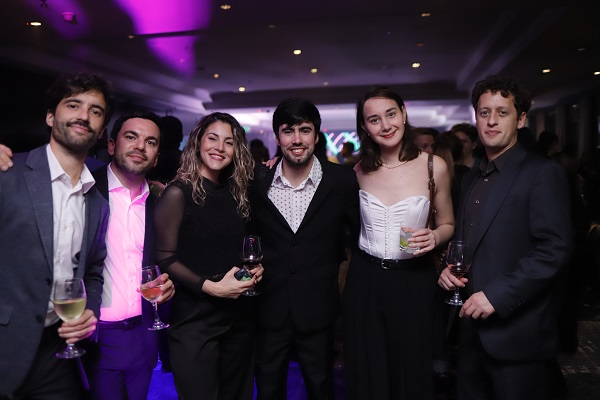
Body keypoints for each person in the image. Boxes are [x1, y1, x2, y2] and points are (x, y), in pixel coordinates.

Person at [437, 75, 571, 400]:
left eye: (502, 112)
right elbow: (470, 243)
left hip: (517, 336)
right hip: (470, 333)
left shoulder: (542, 173)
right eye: (484, 113)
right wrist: (446, 269)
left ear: (520, 119)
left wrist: (497, 296)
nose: (492, 121)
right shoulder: (471, 178)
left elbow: (554, 250)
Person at [0, 72, 113, 399]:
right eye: (73, 105)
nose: (84, 115)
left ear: (101, 130)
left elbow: (93, 272)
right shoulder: (8, 173)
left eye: (95, 111)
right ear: (51, 116)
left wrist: (90, 312)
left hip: (58, 352)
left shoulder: (98, 203)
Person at [343, 86, 455, 400]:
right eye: (374, 119)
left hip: (414, 279)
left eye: (391, 114)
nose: (385, 125)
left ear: (404, 114)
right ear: (364, 127)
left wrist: (435, 236)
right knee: (369, 365)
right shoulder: (356, 171)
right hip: (365, 280)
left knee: (411, 364)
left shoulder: (434, 166)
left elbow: (448, 223)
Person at [251, 97, 360, 400]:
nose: (297, 139)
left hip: (318, 306)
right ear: (277, 138)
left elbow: (360, 235)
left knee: (321, 386)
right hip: (269, 306)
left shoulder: (341, 180)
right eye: (288, 131)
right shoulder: (257, 180)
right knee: (268, 389)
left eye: (305, 130)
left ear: (316, 135)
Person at [153, 112, 263, 400]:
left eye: (229, 142)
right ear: (198, 142)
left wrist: (254, 269)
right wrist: (210, 287)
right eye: (212, 138)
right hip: (194, 321)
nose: (219, 148)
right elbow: (165, 257)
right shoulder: (178, 193)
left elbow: (234, 250)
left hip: (238, 318)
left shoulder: (238, 193)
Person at [85, 110, 175, 400]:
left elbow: (168, 259)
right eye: (131, 137)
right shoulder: (85, 190)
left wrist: (169, 284)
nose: (140, 146)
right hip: (95, 334)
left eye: (150, 142)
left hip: (143, 334)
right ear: (112, 145)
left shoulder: (161, 203)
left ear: (156, 157)